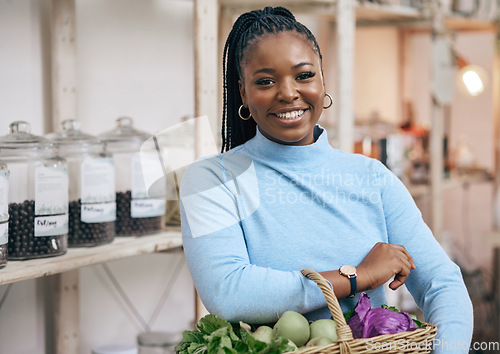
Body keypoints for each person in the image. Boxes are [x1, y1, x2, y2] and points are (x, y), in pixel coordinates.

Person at [179, 6, 473, 352]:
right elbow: (228, 292)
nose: (288, 92)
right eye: (265, 81)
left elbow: (443, 283)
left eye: (303, 75)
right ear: (243, 93)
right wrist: (356, 277)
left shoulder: (372, 178)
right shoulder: (211, 179)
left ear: (322, 81)